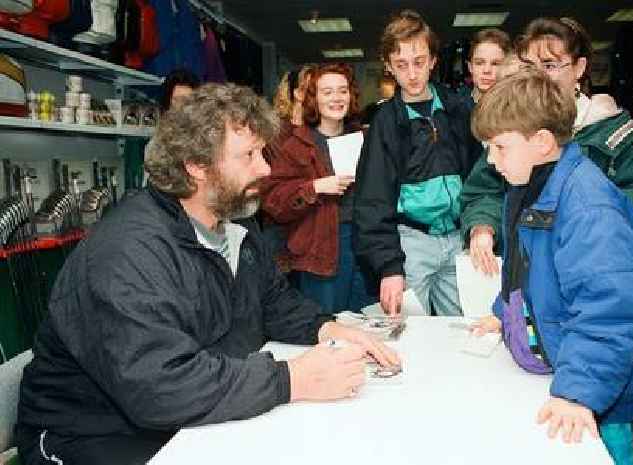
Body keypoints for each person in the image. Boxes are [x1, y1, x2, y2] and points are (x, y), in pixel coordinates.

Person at [15, 83, 400, 465]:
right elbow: (159, 386)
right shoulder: (130, 251)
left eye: (262, 153)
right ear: (196, 166)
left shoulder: (233, 228)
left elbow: (273, 302)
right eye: (248, 156)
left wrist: (328, 328)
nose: (264, 169)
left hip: (171, 415)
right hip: (89, 432)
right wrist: (290, 381)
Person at [470, 69, 633, 464]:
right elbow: (526, 272)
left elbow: (613, 311)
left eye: (499, 147)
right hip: (573, 367)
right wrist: (504, 315)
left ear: (542, 142)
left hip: (608, 391)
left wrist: (578, 392)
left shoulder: (588, 207)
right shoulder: (528, 186)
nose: (492, 161)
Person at [461, 17, 633, 276]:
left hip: (591, 267)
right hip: (526, 270)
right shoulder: (513, 127)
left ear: (579, 67)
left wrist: (585, 228)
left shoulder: (605, 126)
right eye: (530, 66)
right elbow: (483, 190)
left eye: (550, 65)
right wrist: (482, 226)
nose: (538, 76)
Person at [353, 10, 482, 316]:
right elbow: (372, 201)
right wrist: (388, 266)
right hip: (410, 243)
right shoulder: (384, 123)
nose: (412, 73)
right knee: (407, 334)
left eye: (419, 62)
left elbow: (480, 178)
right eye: (401, 65)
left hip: (458, 237)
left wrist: (479, 227)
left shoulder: (459, 110)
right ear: (388, 66)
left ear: (433, 60)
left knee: (465, 328)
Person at [262, 63, 376, 313]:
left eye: (342, 91)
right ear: (314, 99)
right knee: (328, 328)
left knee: (369, 324)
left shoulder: (365, 139)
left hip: (366, 245)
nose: (336, 98)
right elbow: (273, 201)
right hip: (320, 250)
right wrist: (314, 187)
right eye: (327, 92)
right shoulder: (297, 145)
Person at [260, 65, 312, 265]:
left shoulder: (319, 130)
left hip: (311, 224)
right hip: (279, 226)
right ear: (295, 92)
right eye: (308, 88)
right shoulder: (274, 132)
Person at [466, 28, 512, 110]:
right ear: (470, 67)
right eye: (479, 63)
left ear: (507, 67)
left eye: (495, 64)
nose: (487, 70)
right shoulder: (453, 108)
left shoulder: (519, 108)